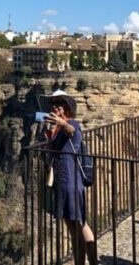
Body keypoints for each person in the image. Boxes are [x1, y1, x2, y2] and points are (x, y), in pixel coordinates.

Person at [43, 90, 97, 265]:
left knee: (76, 227)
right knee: (79, 224)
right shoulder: (58, 130)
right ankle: (93, 261)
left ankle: (81, 262)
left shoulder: (71, 123)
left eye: (58, 105)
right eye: (53, 105)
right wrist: (50, 133)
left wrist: (61, 123)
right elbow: (50, 151)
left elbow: (72, 130)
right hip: (65, 178)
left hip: (69, 180)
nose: (54, 108)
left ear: (66, 109)